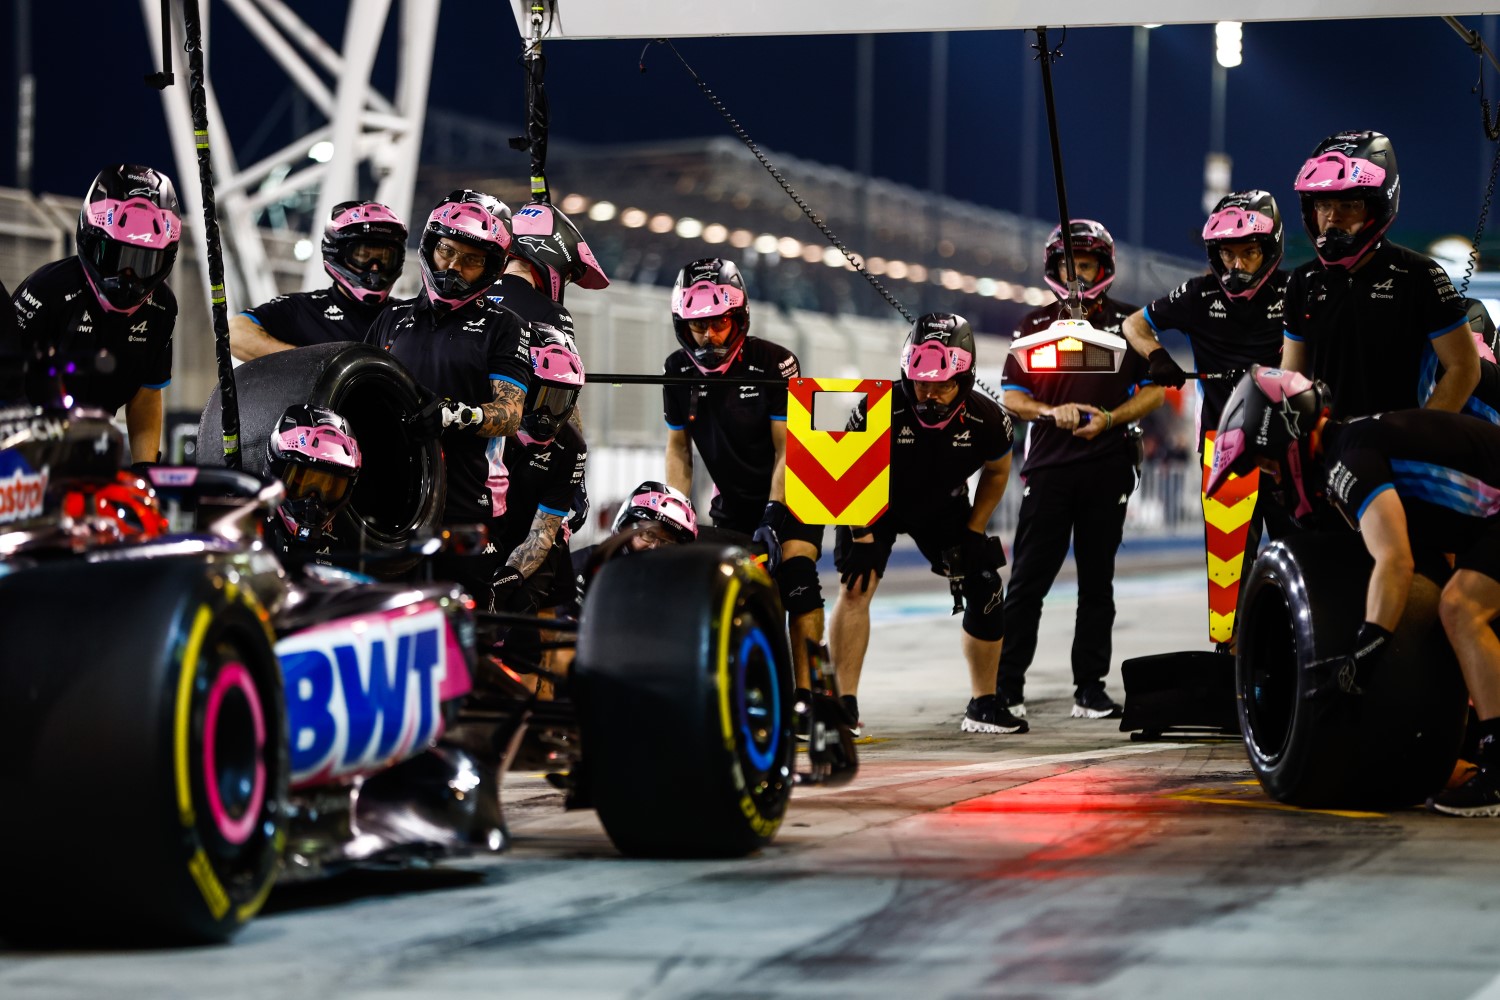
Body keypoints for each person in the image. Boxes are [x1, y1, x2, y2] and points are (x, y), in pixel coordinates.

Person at [1207, 365, 1500, 817]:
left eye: (1267, 464)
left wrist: (1365, 652)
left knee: (1463, 608)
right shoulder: (1355, 443)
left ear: (1286, 438)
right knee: (1459, 606)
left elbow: (1396, 560)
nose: (1274, 479)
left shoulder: (1347, 459)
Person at [997, 219, 1165, 724]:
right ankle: (1005, 688)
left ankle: (1089, 689)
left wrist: (1111, 418)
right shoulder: (1031, 325)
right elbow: (1011, 396)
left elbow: (1158, 387)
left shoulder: (1130, 323)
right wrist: (1052, 413)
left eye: (1085, 266)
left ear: (1103, 268)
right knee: (1027, 583)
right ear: (1053, 269)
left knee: (1098, 584)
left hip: (1107, 468)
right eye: (1068, 266)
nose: (1076, 276)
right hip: (1048, 470)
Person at [827, 313, 1015, 735]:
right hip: (873, 502)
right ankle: (843, 706)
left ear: (963, 380)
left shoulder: (990, 420)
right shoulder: (875, 409)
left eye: (941, 385)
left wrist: (972, 530)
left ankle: (984, 704)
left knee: (985, 584)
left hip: (943, 507)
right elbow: (845, 470)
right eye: (920, 383)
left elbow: (998, 472)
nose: (928, 394)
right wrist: (861, 535)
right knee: (855, 584)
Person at [1122, 190, 1290, 644]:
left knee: (1309, 557)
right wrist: (1157, 356)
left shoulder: (1298, 290)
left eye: (1249, 253)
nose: (1236, 265)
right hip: (1226, 447)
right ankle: (1232, 662)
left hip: (1294, 446)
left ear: (1270, 249)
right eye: (1227, 253)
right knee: (1229, 571)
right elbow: (1133, 324)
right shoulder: (1197, 294)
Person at [662, 257, 825, 694]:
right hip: (731, 503)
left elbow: (787, 450)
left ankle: (809, 698)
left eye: (719, 324)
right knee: (735, 595)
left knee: (797, 583)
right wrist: (677, 512)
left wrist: (773, 514)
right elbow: (679, 451)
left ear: (739, 318)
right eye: (699, 326)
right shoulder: (676, 371)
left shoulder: (776, 362)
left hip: (792, 496)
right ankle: (747, 693)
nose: (710, 336)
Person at [365, 190, 531, 602]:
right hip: (390, 499)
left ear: (490, 268)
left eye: (471, 260)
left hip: (465, 506)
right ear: (429, 248)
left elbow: (510, 414)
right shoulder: (391, 318)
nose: (454, 266)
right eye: (446, 251)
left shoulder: (504, 326)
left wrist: (453, 415)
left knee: (466, 630)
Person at [1283, 130, 1479, 420]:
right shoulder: (1302, 281)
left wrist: (1421, 434)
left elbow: (1465, 367)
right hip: (1330, 450)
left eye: (1348, 205)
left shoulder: (1420, 275)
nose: (1332, 216)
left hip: (1400, 455)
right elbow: (1292, 377)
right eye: (1323, 204)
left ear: (1378, 204)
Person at [6, 164, 181, 462]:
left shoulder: (162, 308)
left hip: (92, 452)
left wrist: (145, 470)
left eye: (143, 264)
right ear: (90, 240)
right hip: (19, 449)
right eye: (116, 257)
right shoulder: (45, 290)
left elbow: (146, 396)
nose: (128, 278)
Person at [487, 323, 588, 622]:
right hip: (484, 533)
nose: (545, 415)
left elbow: (544, 532)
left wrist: (511, 575)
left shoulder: (572, 447)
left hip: (534, 534)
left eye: (557, 401)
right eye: (538, 397)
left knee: (532, 626)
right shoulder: (486, 424)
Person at [230, 201, 407, 361]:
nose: (374, 268)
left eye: (384, 258)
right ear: (337, 254)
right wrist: (314, 364)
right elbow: (235, 333)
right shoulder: (303, 309)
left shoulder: (408, 317)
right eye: (362, 255)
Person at [263, 404, 361, 563]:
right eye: (304, 480)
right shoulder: (248, 529)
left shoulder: (347, 543)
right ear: (277, 469)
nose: (313, 502)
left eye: (330, 488)